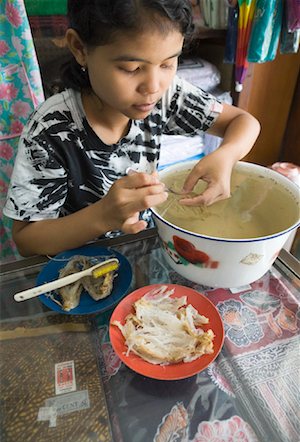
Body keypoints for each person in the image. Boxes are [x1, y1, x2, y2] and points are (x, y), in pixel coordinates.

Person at [3, 0, 260, 257]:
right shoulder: (50, 129)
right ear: (80, 48)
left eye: (168, 64)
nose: (153, 86)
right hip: (75, 266)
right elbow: (27, 239)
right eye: (132, 68)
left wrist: (227, 155)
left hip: (140, 252)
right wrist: (103, 216)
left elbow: (243, 122)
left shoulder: (167, 95)